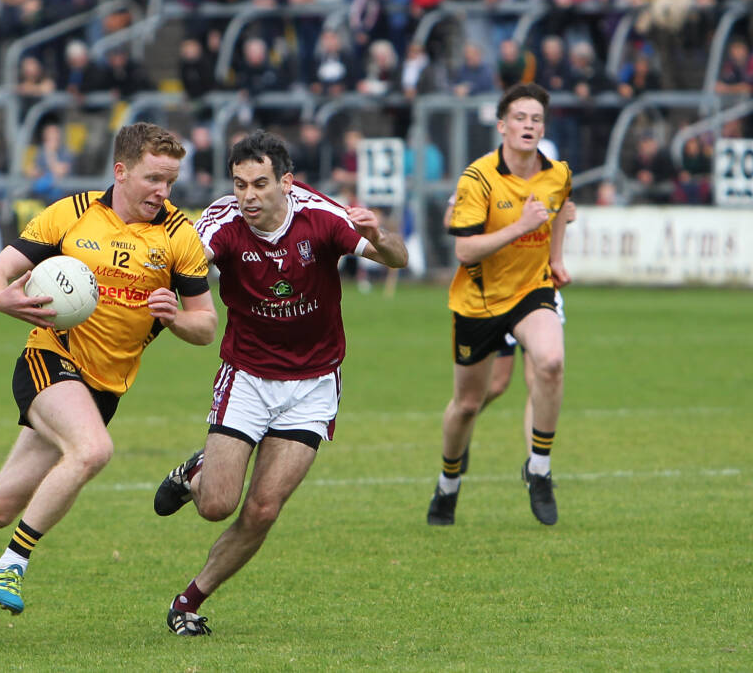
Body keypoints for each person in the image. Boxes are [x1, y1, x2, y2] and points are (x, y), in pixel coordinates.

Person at [0, 122, 218, 623]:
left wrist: (176, 317)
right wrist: (4, 299)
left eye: (171, 181)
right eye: (153, 178)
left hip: (104, 388)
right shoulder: (72, 214)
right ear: (120, 172)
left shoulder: (179, 236)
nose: (163, 191)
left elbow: (206, 326)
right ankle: (11, 565)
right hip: (49, 359)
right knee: (93, 450)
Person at [151, 130, 409, 636]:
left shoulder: (323, 217)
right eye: (240, 183)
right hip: (247, 375)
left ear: (286, 183)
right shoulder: (222, 222)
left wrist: (379, 237)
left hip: (313, 384)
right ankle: (199, 471)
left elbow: (398, 259)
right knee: (217, 504)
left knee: (264, 507)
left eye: (261, 183)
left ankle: (187, 601)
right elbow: (184, 263)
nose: (248, 195)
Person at [426, 82, 572, 528]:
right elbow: (466, 252)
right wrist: (520, 226)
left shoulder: (557, 173)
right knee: (469, 403)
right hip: (479, 300)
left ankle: (539, 470)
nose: (529, 126)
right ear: (502, 126)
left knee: (549, 362)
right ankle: (448, 482)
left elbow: (563, 207)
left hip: (531, 291)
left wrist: (556, 258)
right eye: (520, 118)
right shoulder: (478, 178)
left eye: (536, 119)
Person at [441, 194, 576, 469]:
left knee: (539, 377)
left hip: (535, 293)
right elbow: (450, 220)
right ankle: (462, 429)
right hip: (495, 294)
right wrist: (505, 223)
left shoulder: (551, 177)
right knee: (496, 384)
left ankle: (536, 467)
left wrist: (562, 215)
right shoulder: (487, 175)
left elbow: (559, 214)